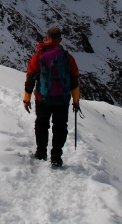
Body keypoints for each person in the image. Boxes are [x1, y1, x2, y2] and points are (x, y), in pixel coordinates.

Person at [23, 26, 80, 167]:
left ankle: (41, 152)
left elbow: (30, 77)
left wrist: (27, 98)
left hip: (43, 98)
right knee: (60, 126)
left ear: (46, 37)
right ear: (60, 40)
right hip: (62, 99)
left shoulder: (39, 56)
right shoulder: (67, 57)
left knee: (42, 124)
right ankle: (56, 156)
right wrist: (76, 101)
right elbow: (74, 80)